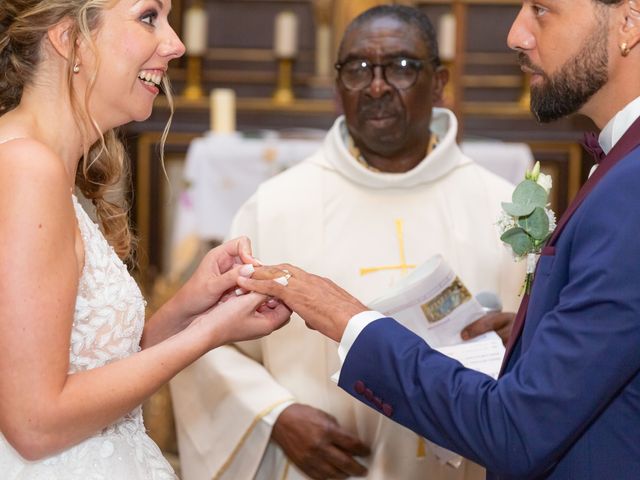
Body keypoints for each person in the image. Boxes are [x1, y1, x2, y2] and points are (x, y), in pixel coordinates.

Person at [239, 0, 640, 478]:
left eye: (541, 8)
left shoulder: (623, 187)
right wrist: (531, 343)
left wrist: (349, 321)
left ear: (629, 21)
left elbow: (517, 429)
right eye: (359, 69)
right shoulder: (276, 202)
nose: (516, 34)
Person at [170, 6, 525, 480]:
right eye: (358, 69)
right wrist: (275, 415)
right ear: (339, 86)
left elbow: (549, 356)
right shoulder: (276, 206)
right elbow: (206, 342)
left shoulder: (505, 210)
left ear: (439, 82)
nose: (376, 87)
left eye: (400, 67)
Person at [0, 1, 291, 478]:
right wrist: (207, 336)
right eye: (148, 16)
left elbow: (79, 370)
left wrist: (187, 309)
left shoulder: (42, 165)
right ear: (68, 38)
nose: (176, 45)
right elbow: (34, 424)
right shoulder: (27, 169)